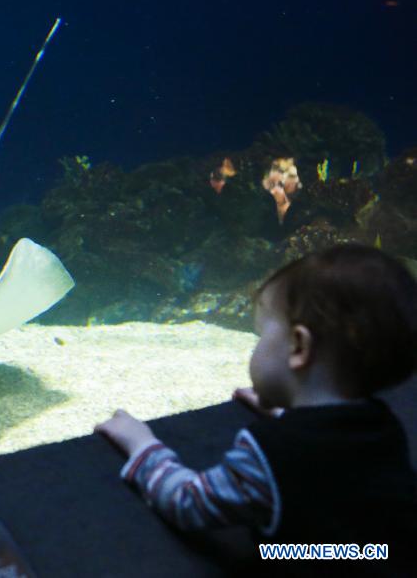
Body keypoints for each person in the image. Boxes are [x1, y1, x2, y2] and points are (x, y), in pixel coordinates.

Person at [95, 244, 417, 571]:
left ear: (298, 346)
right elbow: (329, 458)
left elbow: (189, 502)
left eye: (259, 335)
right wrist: (291, 414)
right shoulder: (384, 425)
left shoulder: (268, 451)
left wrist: (141, 444)